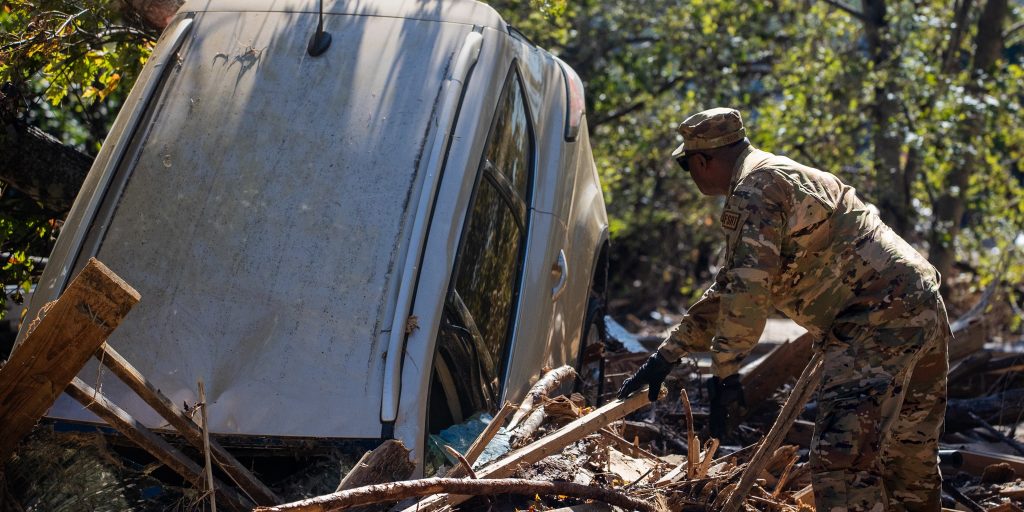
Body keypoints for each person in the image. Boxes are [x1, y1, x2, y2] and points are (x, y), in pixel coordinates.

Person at [617, 107, 951, 511]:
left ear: (703, 160)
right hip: (920, 302)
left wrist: (725, 374)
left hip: (876, 317)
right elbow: (731, 287)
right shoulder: (775, 175)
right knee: (907, 456)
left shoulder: (754, 191)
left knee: (842, 461)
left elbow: (748, 295)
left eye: (688, 166)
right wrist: (668, 354)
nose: (693, 176)